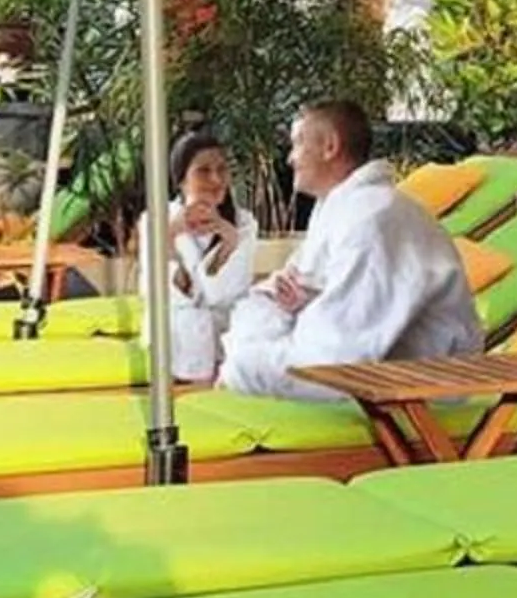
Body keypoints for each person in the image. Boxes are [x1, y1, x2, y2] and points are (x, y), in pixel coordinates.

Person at [215, 99, 481, 403]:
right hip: (376, 376)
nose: (290, 158)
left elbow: (336, 361)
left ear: (330, 146)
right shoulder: (338, 208)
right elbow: (281, 293)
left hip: (421, 394)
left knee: (238, 360)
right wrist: (302, 304)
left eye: (298, 143)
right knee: (240, 334)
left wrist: (243, 364)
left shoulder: (374, 219)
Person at [160, 128, 258, 384]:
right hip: (175, 343)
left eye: (222, 169)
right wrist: (169, 236)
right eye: (203, 171)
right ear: (181, 180)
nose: (216, 179)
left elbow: (227, 294)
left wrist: (229, 241)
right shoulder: (158, 221)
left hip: (230, 339)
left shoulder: (244, 223)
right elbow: (167, 294)